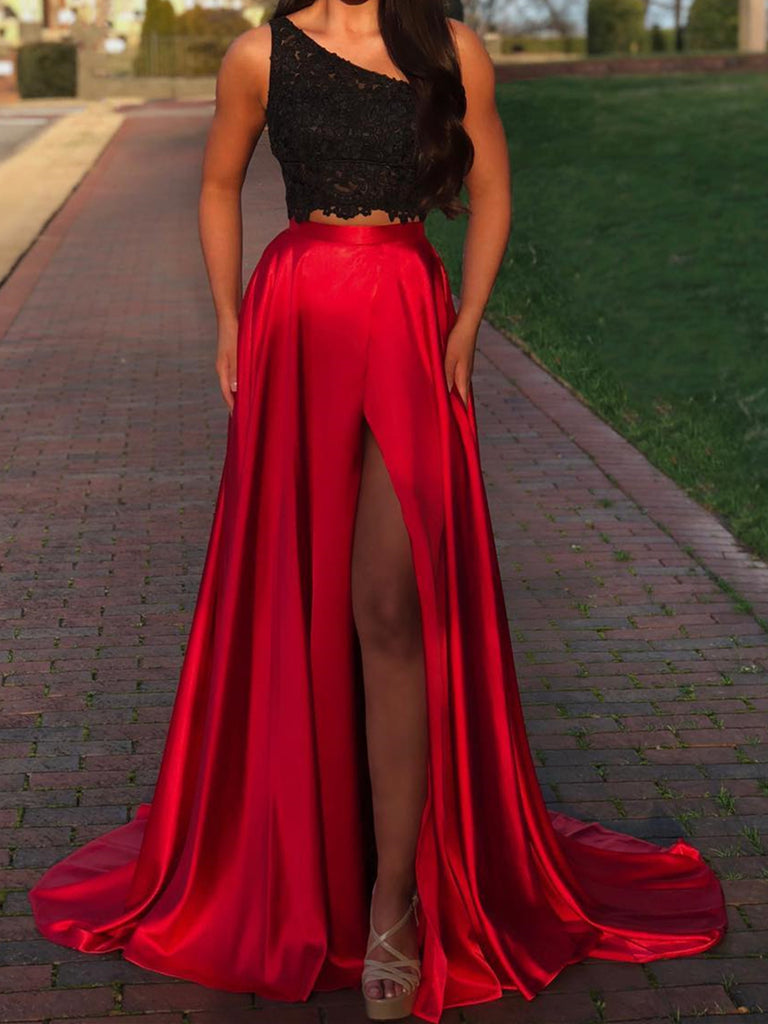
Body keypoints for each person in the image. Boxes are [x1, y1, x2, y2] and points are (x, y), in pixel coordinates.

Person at [28, 1, 727, 1022]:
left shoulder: (447, 48)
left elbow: (491, 192)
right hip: (297, 311)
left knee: (391, 607)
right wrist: (227, 319)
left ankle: (395, 896)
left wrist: (470, 326)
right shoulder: (259, 54)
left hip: (405, 309)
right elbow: (219, 185)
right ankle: (298, 866)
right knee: (295, 596)